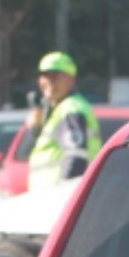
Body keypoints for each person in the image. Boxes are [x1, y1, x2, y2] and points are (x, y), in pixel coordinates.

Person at [27, 52, 102, 193]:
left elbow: (76, 158)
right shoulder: (56, 110)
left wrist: (63, 194)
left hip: (59, 198)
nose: (48, 82)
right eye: (44, 76)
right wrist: (35, 128)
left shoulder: (71, 109)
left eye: (55, 77)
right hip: (47, 197)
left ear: (71, 80)